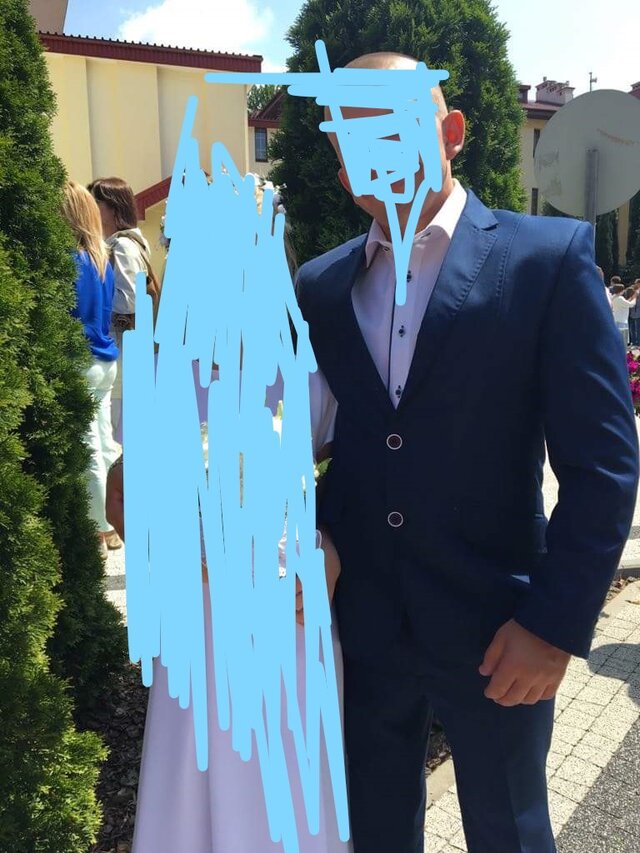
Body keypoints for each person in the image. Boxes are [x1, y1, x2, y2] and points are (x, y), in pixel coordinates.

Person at [295, 52, 639, 852]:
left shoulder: (546, 260)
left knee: (509, 831)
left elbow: (604, 465)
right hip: (363, 631)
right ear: (343, 171)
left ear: (450, 132)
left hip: (500, 631)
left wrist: (553, 624)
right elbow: (316, 437)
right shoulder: (320, 286)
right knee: (372, 832)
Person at [105, 179, 351, 853]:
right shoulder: (158, 371)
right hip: (201, 622)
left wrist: (330, 547)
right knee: (199, 779)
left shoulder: (309, 374)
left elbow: (350, 479)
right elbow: (132, 498)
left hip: (289, 619)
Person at [62, 182, 121, 559]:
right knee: (106, 442)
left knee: (88, 449)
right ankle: (116, 521)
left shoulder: (71, 261)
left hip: (82, 360)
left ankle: (102, 527)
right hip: (105, 358)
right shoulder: (102, 259)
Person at [87, 176, 161, 447]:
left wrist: (92, 301)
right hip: (124, 351)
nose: (91, 208)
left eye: (96, 202)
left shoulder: (122, 247)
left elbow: (129, 300)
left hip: (121, 351)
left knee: (113, 434)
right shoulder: (124, 244)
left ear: (114, 208)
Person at [628, 278, 640, 345]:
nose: (635, 284)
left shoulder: (637, 291)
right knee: (632, 328)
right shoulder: (633, 290)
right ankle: (634, 342)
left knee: (638, 328)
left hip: (637, 312)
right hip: (632, 312)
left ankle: (638, 342)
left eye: (636, 283)